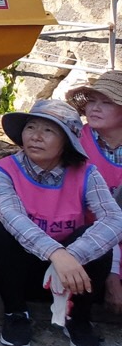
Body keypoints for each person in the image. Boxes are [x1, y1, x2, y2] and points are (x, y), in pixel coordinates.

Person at [0, 99, 122, 346]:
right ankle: (15, 312)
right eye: (31, 127)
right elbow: (13, 217)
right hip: (21, 269)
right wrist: (57, 254)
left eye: (48, 131)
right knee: (2, 232)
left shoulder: (87, 173)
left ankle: (79, 317)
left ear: (66, 141)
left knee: (98, 239)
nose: (36, 137)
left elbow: (114, 219)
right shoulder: (1, 171)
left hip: (71, 276)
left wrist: (72, 256)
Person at [67, 71, 122, 312]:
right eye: (92, 100)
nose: (95, 108)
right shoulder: (73, 141)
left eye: (106, 102)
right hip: (84, 238)